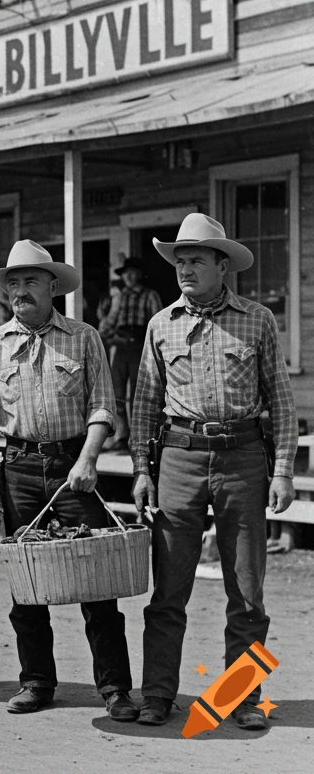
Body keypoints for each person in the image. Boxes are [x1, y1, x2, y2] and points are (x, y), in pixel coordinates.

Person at [129, 213, 296, 730]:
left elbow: (283, 403)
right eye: (180, 260)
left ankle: (241, 698)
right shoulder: (162, 324)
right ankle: (157, 694)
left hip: (244, 457)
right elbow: (144, 403)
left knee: (247, 591)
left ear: (223, 266)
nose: (185, 269)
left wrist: (284, 470)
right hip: (179, 456)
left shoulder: (257, 319)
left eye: (196, 259)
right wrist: (142, 469)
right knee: (168, 590)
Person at [0, 239, 136, 721]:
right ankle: (37, 681)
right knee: (27, 585)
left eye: (30, 281)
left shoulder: (83, 337)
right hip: (17, 468)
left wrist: (87, 460)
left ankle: (115, 688)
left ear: (52, 287)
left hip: (72, 469)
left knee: (97, 581)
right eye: (13, 283)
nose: (20, 290)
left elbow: (103, 405)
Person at [98, 257, 162, 450]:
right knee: (117, 391)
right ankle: (122, 435)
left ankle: (138, 438)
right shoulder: (119, 297)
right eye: (126, 273)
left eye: (133, 272)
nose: (129, 277)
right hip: (120, 346)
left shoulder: (150, 295)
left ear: (140, 275)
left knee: (137, 392)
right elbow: (109, 321)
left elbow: (157, 322)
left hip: (139, 346)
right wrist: (106, 337)